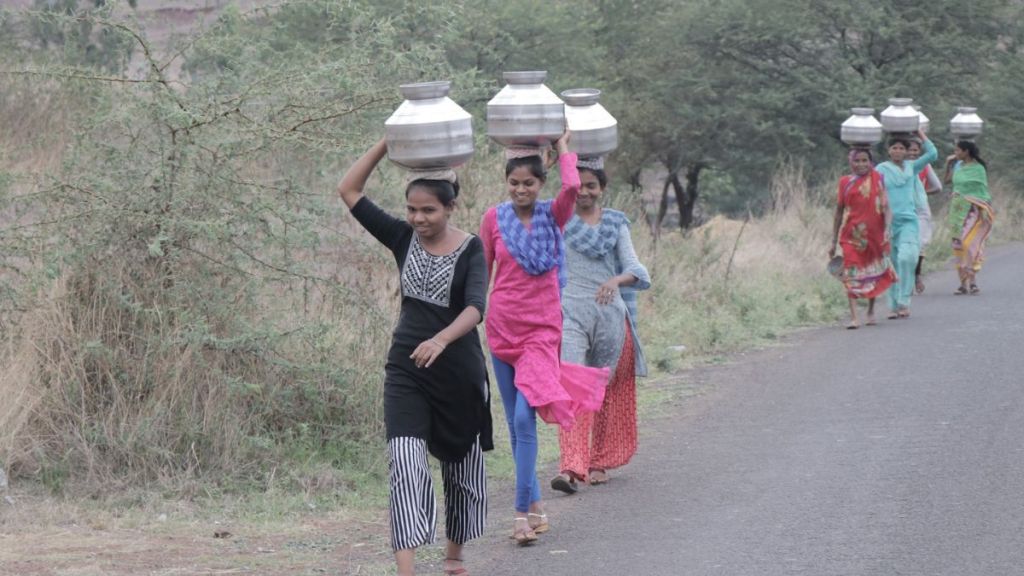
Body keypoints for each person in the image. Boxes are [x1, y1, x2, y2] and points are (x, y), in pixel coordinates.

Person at [337, 138, 492, 576]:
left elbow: (476, 307)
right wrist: (388, 142)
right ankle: (407, 570)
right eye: (412, 209)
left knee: (461, 471)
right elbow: (349, 190)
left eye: (429, 211)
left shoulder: (471, 248)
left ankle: (454, 557)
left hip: (459, 376)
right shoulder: (401, 237)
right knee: (406, 465)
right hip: (406, 371)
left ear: (451, 208)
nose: (418, 219)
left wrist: (442, 340)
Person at [480, 131, 608, 546]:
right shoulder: (492, 219)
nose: (521, 190)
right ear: (507, 183)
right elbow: (482, 274)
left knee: (523, 419)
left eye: (529, 183)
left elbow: (573, 185)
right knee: (516, 428)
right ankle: (535, 505)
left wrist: (563, 145)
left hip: (541, 332)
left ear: (541, 184)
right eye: (514, 183)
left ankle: (519, 515)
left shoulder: (555, 214)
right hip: (501, 330)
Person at [549, 156, 651, 493]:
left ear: (602, 189)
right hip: (572, 314)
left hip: (609, 316)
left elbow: (638, 271)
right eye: (578, 187)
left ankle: (599, 461)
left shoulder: (616, 224)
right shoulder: (560, 221)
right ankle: (571, 465)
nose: (584, 193)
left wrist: (614, 280)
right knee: (573, 385)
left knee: (604, 390)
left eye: (591, 186)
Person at [829, 147, 897, 329]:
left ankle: (871, 311)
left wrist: (888, 228)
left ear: (870, 161)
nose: (861, 164)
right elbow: (839, 212)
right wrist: (833, 241)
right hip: (851, 236)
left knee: (871, 273)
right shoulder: (845, 182)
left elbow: (887, 207)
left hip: (875, 235)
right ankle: (854, 317)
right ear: (851, 162)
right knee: (851, 274)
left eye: (864, 160)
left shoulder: (878, 179)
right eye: (857, 161)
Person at [874, 129, 937, 319]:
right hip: (888, 222)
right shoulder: (881, 170)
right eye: (895, 148)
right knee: (891, 263)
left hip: (909, 220)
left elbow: (933, 154)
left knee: (907, 258)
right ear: (889, 150)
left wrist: (919, 132)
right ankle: (893, 306)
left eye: (902, 148)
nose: (899, 151)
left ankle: (904, 301)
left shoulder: (912, 166)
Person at [943, 140, 995, 295]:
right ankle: (963, 284)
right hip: (957, 210)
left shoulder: (979, 169)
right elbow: (947, 182)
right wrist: (949, 165)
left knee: (969, 242)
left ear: (966, 152)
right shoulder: (958, 166)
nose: (955, 153)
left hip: (974, 210)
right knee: (959, 243)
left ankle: (972, 279)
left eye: (958, 151)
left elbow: (981, 189)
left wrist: (981, 205)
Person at [907, 139, 942, 294]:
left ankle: (916, 276)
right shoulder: (897, 167)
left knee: (919, 246)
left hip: (920, 208)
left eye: (916, 150)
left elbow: (937, 187)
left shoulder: (924, 166)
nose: (913, 153)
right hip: (903, 209)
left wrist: (920, 192)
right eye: (911, 150)